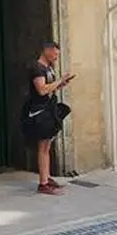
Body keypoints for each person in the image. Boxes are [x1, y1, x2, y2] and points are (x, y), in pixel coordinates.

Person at [21, 41, 75, 196]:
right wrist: (59, 81)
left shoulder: (48, 68)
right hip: (39, 112)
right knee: (43, 146)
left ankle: (46, 177)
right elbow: (42, 90)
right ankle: (43, 183)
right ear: (47, 50)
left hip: (49, 109)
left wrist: (61, 84)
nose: (56, 57)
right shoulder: (37, 68)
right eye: (55, 54)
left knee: (47, 146)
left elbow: (49, 89)